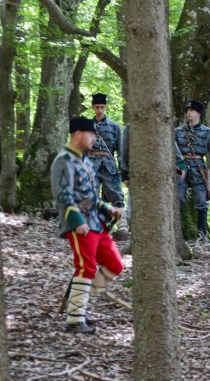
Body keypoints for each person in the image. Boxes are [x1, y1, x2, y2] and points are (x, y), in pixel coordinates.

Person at [51, 117, 124, 333]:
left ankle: (78, 307)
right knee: (87, 267)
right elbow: (63, 195)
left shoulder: (84, 160)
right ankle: (75, 319)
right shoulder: (63, 160)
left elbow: (91, 196)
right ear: (78, 134)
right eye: (91, 134)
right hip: (80, 223)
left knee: (115, 264)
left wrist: (107, 209)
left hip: (96, 222)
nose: (94, 138)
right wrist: (77, 221)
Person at [119, 124, 186, 255]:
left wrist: (180, 165)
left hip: (160, 176)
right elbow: (124, 152)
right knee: (134, 210)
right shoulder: (130, 127)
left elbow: (173, 149)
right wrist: (125, 174)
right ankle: (138, 241)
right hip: (137, 173)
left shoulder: (162, 124)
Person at [175, 100, 210, 240]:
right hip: (181, 170)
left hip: (198, 169)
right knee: (178, 198)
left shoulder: (208, 133)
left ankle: (202, 234)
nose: (189, 112)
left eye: (192, 110)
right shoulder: (177, 131)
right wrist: (179, 164)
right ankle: (178, 232)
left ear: (199, 114)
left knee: (201, 202)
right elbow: (172, 150)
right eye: (187, 110)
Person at [88, 93, 128, 240]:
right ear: (93, 107)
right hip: (91, 165)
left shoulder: (114, 127)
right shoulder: (87, 126)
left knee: (116, 194)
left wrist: (121, 167)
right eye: (97, 107)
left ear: (105, 107)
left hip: (110, 165)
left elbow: (121, 148)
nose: (99, 110)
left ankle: (122, 225)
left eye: (102, 107)